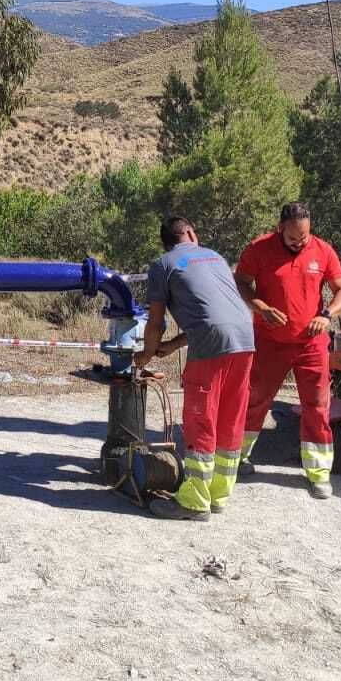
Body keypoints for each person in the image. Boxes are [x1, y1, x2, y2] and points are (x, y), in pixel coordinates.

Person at [133, 215, 256, 521]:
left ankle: (193, 502)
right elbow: (214, 314)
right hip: (245, 338)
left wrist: (145, 356)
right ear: (190, 233)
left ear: (167, 240)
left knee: (201, 419)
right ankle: (218, 495)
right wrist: (173, 346)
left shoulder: (162, 265)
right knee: (230, 416)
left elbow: (157, 321)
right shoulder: (215, 257)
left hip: (212, 346)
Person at [234, 202, 341, 499]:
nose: (300, 243)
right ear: (279, 228)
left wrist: (326, 315)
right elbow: (239, 282)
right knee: (256, 399)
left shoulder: (323, 250)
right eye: (293, 239)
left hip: (311, 345)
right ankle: (238, 457)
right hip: (269, 342)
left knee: (316, 405)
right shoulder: (258, 249)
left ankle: (318, 472)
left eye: (305, 237)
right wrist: (259, 306)